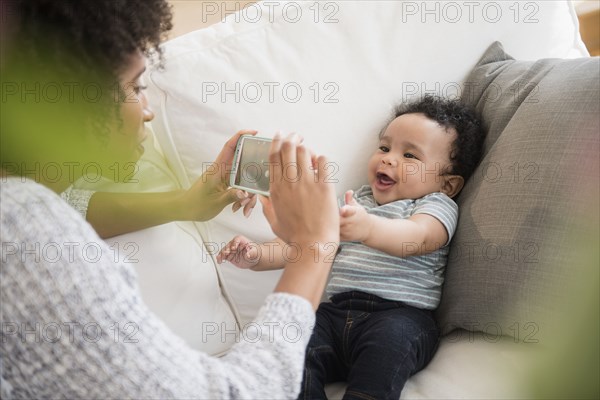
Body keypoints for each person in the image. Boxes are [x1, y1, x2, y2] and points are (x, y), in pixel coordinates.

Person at [0, 1, 339, 398]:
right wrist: (314, 246)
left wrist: (186, 204)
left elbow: (66, 204)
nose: (148, 113)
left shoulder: (24, 204)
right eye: (136, 87)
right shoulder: (26, 239)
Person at [218, 95, 485, 399]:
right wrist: (256, 255)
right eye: (385, 148)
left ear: (447, 184)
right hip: (333, 313)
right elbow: (305, 244)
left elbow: (419, 237)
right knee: (294, 345)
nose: (388, 159)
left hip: (400, 316)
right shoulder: (355, 201)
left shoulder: (434, 205)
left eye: (410, 156)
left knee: (389, 346)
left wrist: (368, 228)